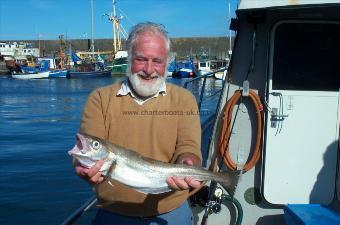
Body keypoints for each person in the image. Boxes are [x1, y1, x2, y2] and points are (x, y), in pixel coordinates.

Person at [73, 22, 202, 225]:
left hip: (171, 212)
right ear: (129, 58)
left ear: (167, 63)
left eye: (157, 61)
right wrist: (82, 168)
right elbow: (89, 148)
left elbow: (188, 146)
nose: (149, 70)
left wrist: (188, 163)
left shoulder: (184, 99)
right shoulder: (100, 99)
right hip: (113, 213)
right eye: (141, 59)